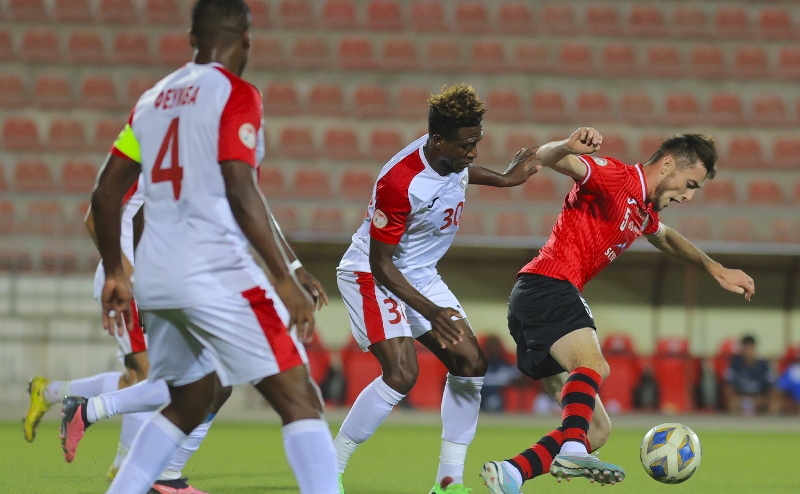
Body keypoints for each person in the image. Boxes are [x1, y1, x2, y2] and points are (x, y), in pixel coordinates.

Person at [90, 0, 338, 492]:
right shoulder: (237, 93)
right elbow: (240, 187)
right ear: (247, 39)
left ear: (192, 38)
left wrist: (116, 272)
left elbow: (104, 193)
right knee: (300, 398)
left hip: (155, 279)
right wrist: (283, 278)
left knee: (190, 398)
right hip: (214, 272)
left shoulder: (151, 101)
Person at [480, 128, 755, 493]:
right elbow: (545, 157)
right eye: (690, 184)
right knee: (593, 365)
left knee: (596, 429)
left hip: (536, 299)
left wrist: (714, 268)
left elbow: (666, 237)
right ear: (668, 165)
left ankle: (510, 473)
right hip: (548, 284)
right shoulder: (616, 177)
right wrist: (566, 146)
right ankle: (572, 451)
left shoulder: (642, 209)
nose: (688, 196)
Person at [334, 83, 540, 494]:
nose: (474, 153)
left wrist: (504, 179)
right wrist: (430, 311)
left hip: (419, 273)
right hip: (371, 274)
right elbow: (381, 263)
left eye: (477, 142)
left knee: (471, 364)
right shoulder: (400, 182)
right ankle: (328, 467)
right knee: (401, 374)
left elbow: (459, 173)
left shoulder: (447, 157)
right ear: (439, 140)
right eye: (467, 145)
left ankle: (448, 482)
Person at [724, 335, 779, 415]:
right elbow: (728, 386)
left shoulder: (764, 365)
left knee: (775, 404)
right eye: (746, 348)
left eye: (750, 348)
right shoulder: (734, 365)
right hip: (741, 398)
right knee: (733, 403)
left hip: (759, 398)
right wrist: (740, 398)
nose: (748, 352)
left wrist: (762, 398)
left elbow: (772, 387)